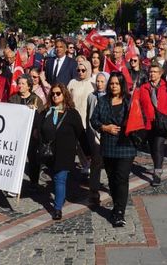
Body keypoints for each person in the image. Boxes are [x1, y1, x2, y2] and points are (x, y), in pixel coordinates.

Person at [90, 72, 135, 227]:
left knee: (122, 178)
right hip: (108, 145)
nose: (114, 86)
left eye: (117, 83)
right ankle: (117, 206)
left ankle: (120, 212)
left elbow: (137, 118)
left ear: (122, 85)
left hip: (126, 145)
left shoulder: (129, 101)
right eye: (112, 83)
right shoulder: (102, 101)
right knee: (112, 179)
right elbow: (93, 120)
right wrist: (105, 127)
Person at [37, 83, 88, 220]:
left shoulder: (72, 114)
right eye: (53, 94)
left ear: (64, 94)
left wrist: (88, 152)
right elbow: (38, 128)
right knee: (55, 178)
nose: (55, 96)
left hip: (65, 153)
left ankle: (57, 208)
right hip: (50, 153)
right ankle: (62, 197)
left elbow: (81, 134)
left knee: (60, 179)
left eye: (58, 93)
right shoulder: (46, 111)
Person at [140, 63, 167, 185]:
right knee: (153, 148)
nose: (152, 74)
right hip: (150, 122)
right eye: (150, 72)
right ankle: (157, 165)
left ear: (160, 73)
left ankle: (157, 173)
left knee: (158, 146)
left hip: (162, 122)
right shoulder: (144, 87)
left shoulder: (166, 86)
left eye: (154, 72)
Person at [9, 74, 45, 190]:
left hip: (32, 135)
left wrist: (36, 130)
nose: (20, 86)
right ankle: (14, 185)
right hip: (17, 134)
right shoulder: (13, 99)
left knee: (33, 159)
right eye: (19, 83)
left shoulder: (36, 99)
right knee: (15, 160)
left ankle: (34, 182)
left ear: (29, 86)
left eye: (23, 84)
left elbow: (41, 117)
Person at [68, 60, 94, 175]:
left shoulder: (93, 82)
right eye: (78, 70)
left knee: (89, 142)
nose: (80, 72)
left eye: (83, 70)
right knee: (78, 144)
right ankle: (85, 164)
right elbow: (67, 98)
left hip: (89, 118)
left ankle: (92, 163)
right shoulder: (73, 82)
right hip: (76, 117)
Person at [86, 72, 108, 205]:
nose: (99, 84)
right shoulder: (91, 96)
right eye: (98, 81)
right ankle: (94, 191)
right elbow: (88, 115)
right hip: (94, 135)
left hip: (107, 134)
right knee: (95, 163)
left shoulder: (110, 97)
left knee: (110, 163)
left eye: (102, 81)